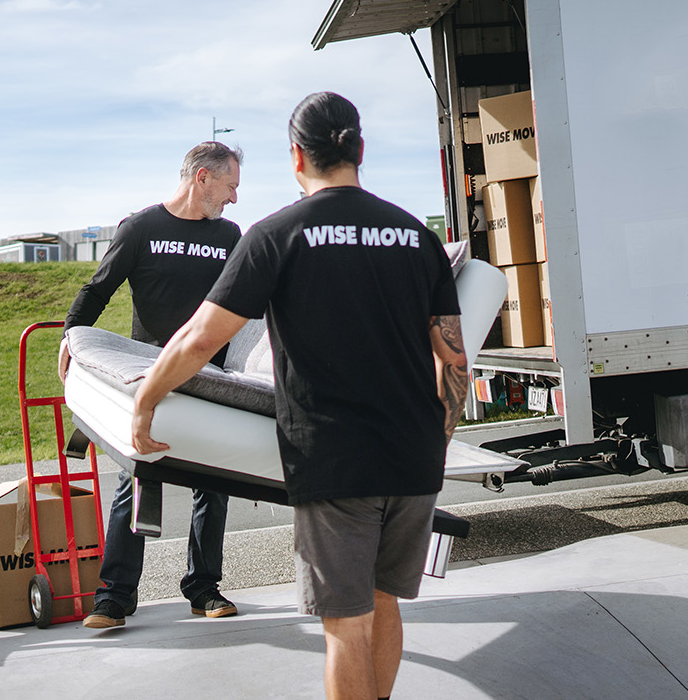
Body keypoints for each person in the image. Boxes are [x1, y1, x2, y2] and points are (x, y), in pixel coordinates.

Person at [131, 93, 467, 700]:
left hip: (334, 459)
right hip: (414, 456)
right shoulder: (417, 236)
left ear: (295, 157)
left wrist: (145, 400)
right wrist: (434, 443)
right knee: (385, 602)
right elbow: (453, 359)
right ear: (359, 150)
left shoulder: (275, 235)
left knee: (346, 623)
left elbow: (200, 339)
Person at [60, 141, 245, 629]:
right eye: (230, 186)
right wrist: (71, 339)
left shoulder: (229, 234)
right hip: (151, 376)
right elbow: (96, 290)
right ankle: (114, 597)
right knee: (137, 479)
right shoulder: (141, 228)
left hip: (213, 379)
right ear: (202, 177)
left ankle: (203, 588)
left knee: (215, 482)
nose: (233, 198)